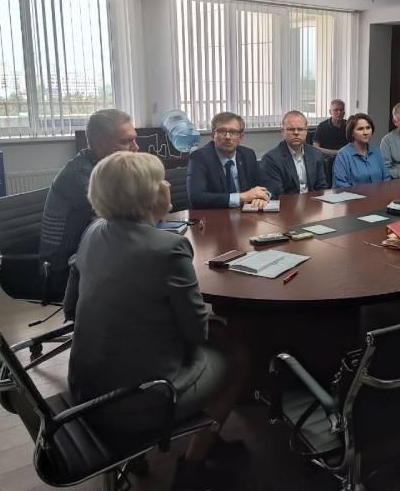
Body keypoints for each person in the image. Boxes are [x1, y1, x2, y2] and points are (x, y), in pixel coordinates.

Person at [64, 152, 246, 490]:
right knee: (239, 356)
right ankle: (193, 467)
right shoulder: (169, 247)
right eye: (160, 180)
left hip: (86, 387)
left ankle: (202, 438)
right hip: (140, 397)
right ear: (147, 195)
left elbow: (70, 308)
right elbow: (196, 332)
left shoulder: (92, 232)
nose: (166, 184)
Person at [39, 109, 138, 301]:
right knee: (149, 273)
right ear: (100, 143)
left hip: (94, 252)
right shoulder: (80, 176)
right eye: (126, 141)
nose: (136, 147)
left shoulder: (108, 168)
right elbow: (123, 219)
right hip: (64, 268)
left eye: (134, 139)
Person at [187, 112, 270, 209]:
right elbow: (196, 197)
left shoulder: (248, 154)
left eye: (233, 132)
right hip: (215, 215)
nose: (227, 137)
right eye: (222, 131)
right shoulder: (199, 157)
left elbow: (265, 184)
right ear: (213, 135)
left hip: (246, 213)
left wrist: (263, 197)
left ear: (241, 137)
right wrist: (242, 197)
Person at [261, 110, 327, 196]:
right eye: (291, 129)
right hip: (287, 203)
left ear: (306, 131)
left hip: (312, 202)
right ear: (283, 132)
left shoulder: (316, 154)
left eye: (300, 129)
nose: (296, 133)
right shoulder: (271, 159)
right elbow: (277, 194)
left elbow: (321, 188)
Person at [332, 113, 390, 188]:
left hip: (380, 194)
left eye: (368, 128)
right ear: (352, 133)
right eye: (360, 129)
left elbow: (386, 178)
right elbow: (341, 185)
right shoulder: (343, 155)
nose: (365, 132)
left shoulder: (377, 151)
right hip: (352, 195)